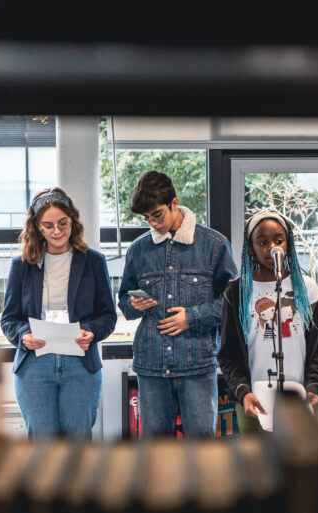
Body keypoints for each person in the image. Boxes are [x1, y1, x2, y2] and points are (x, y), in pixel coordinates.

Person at [118, 171, 237, 438]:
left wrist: (192, 317)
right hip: (151, 365)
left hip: (197, 365)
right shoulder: (137, 250)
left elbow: (233, 303)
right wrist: (134, 304)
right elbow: (124, 302)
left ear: (174, 203)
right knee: (157, 452)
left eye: (157, 215)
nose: (153, 223)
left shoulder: (214, 245)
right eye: (147, 218)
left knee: (201, 450)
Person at [1, 187, 117, 439]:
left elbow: (108, 316)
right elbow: (9, 319)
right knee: (43, 446)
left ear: (72, 221)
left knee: (77, 445)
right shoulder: (21, 265)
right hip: (34, 365)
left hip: (80, 364)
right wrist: (23, 335)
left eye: (63, 223)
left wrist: (91, 331)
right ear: (37, 227)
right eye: (48, 225)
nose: (57, 231)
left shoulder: (93, 261)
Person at [218, 211, 318, 430]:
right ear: (251, 248)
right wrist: (243, 392)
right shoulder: (237, 291)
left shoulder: (307, 289)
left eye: (278, 241)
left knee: (300, 452)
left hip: (299, 396)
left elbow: (317, 349)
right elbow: (228, 354)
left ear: (288, 243)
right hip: (254, 397)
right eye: (262, 242)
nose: (272, 248)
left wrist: (314, 387)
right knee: (255, 452)